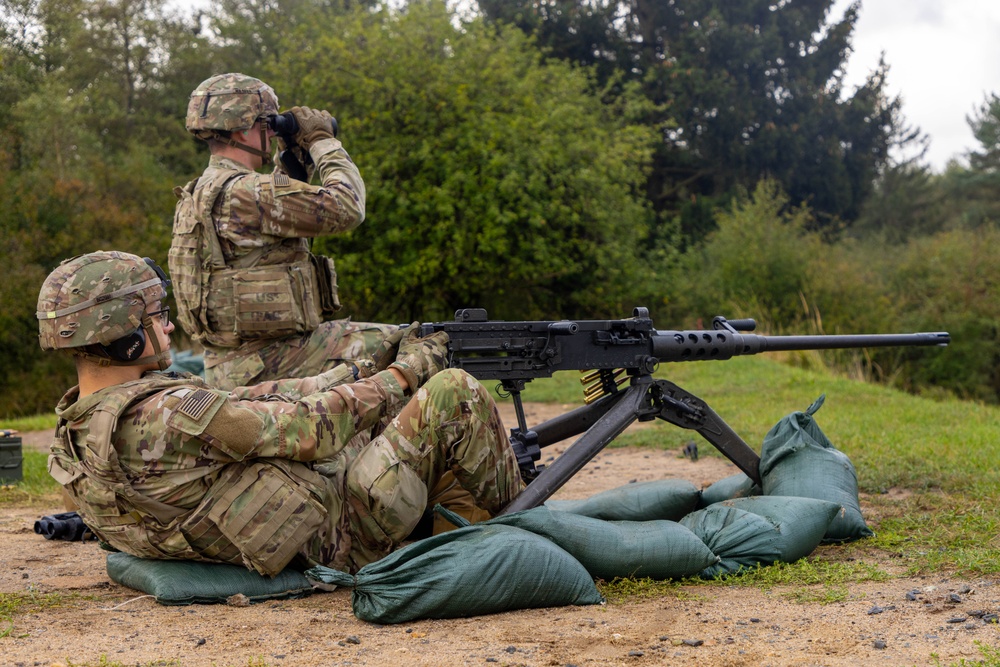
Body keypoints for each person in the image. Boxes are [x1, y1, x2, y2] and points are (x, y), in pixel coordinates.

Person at [38, 251, 524, 576]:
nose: (167, 326)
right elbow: (312, 427)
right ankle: (528, 529)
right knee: (452, 391)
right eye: (156, 317)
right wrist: (406, 374)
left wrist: (361, 367)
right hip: (341, 540)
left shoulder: (80, 425)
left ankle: (457, 520)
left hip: (280, 536)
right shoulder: (169, 417)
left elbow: (266, 399)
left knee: (379, 411)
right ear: (125, 335)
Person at [170, 72, 396, 391]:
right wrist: (323, 142)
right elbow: (348, 207)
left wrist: (293, 153)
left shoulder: (199, 192)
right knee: (411, 345)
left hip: (230, 364)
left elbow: (281, 204)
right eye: (268, 123)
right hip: (272, 361)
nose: (271, 129)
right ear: (247, 126)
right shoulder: (250, 192)